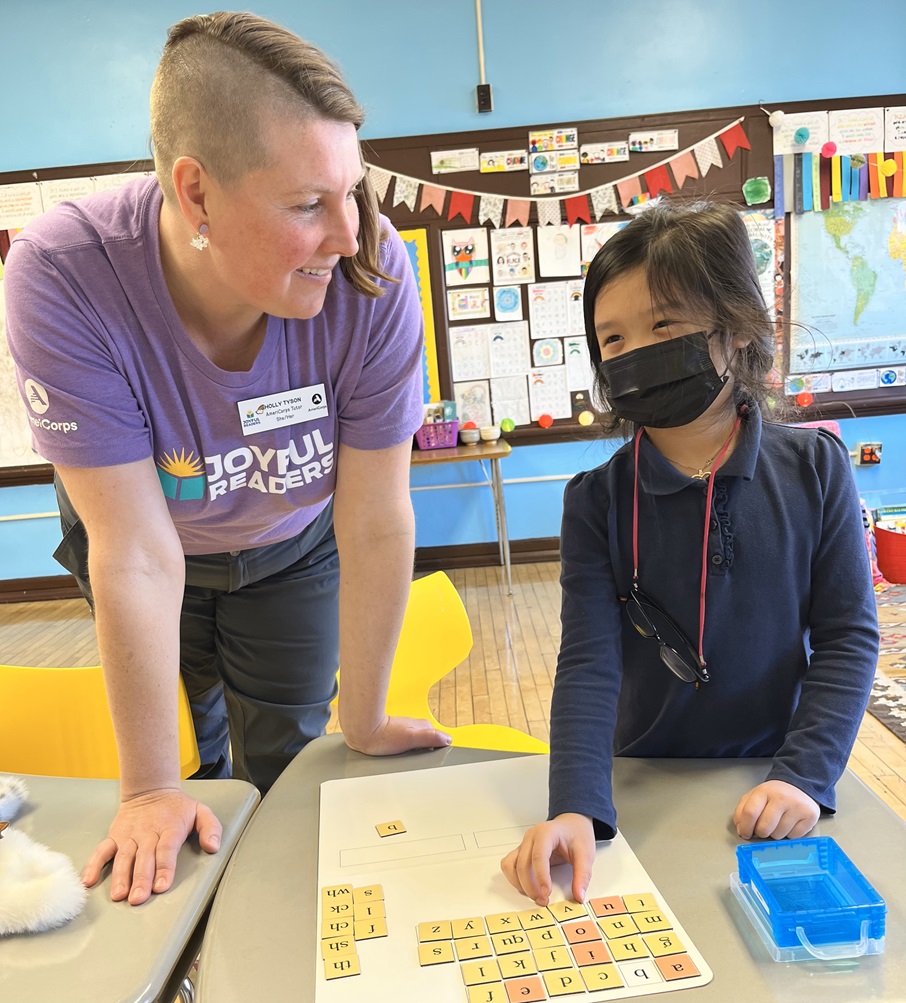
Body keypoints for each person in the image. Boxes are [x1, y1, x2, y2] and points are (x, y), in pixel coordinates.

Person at [5, 11, 450, 907]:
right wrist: (150, 791)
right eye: (306, 205)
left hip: (292, 541)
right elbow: (132, 550)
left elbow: (373, 514)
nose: (349, 236)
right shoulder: (60, 274)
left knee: (285, 746)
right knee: (182, 746)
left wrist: (361, 720)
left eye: (352, 193)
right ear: (197, 192)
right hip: (143, 532)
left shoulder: (372, 276)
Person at [501, 200, 879, 906]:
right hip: (643, 777)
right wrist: (575, 804)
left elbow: (848, 638)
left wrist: (804, 773)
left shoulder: (816, 469)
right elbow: (588, 660)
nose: (635, 351)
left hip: (777, 778)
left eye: (663, 326)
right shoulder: (595, 500)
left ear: (736, 330)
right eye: (611, 339)